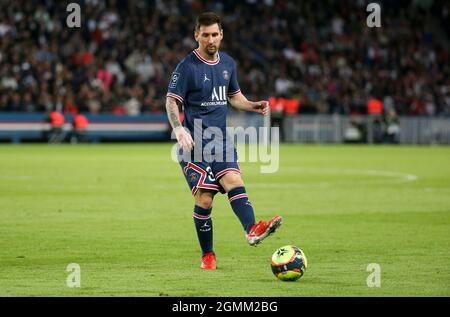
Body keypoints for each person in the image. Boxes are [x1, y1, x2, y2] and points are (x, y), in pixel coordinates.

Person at [165, 12, 282, 270]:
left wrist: (251, 105)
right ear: (196, 35)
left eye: (214, 34)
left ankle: (252, 229)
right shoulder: (187, 67)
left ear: (221, 35)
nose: (210, 39)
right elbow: (171, 100)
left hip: (220, 141)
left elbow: (234, 96)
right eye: (205, 34)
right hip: (193, 144)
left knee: (234, 181)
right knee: (205, 199)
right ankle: (207, 254)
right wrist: (179, 129)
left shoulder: (228, 63)